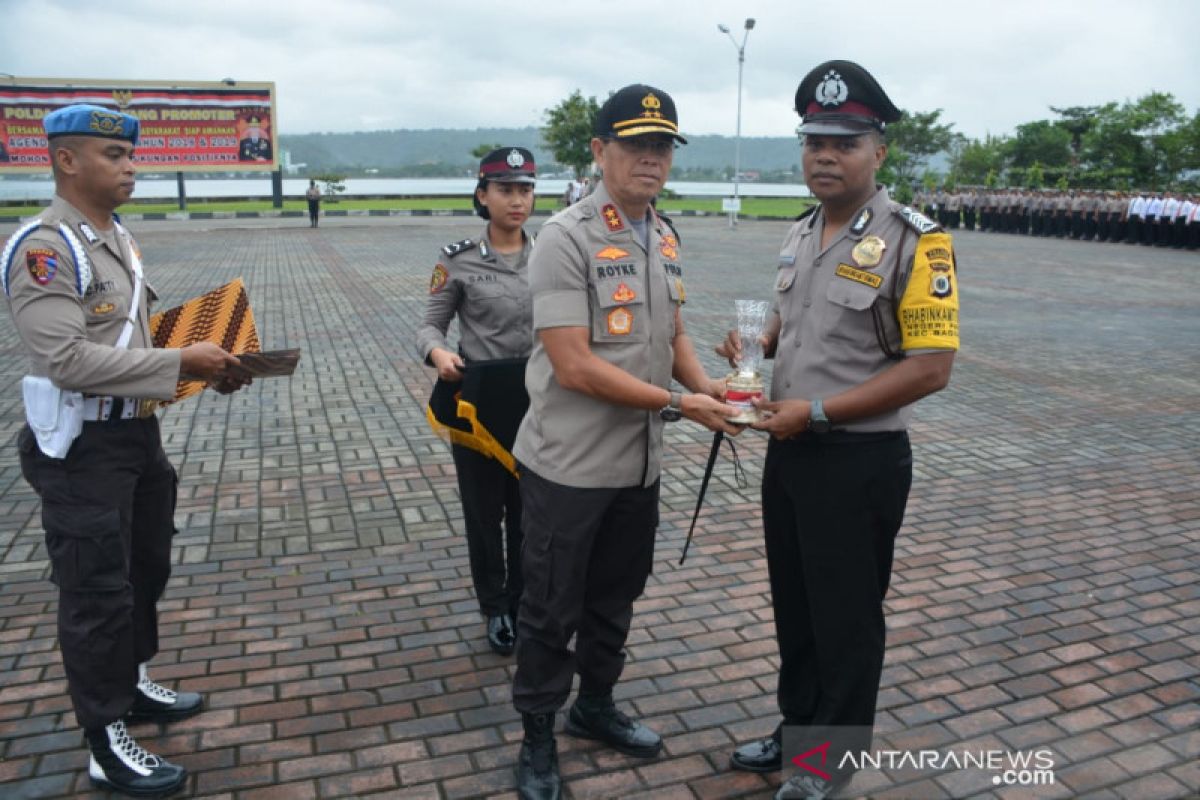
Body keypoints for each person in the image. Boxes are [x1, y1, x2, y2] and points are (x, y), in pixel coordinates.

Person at [717, 61, 959, 800]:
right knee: (796, 605)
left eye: (845, 142)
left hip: (857, 460)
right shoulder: (800, 233)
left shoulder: (919, 243)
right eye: (814, 140)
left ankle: (829, 764)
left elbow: (930, 368)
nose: (825, 154)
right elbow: (799, 327)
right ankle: (798, 730)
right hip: (789, 452)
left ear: (879, 151)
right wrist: (757, 349)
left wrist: (817, 411)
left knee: (847, 617)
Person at [1, 104, 249, 797]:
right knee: (96, 593)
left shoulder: (116, 239)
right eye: (113, 155)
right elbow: (65, 360)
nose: (131, 165)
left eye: (130, 155)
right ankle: (103, 738)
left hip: (137, 435)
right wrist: (180, 362)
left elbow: (129, 348)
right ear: (66, 161)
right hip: (83, 450)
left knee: (144, 569)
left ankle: (131, 682)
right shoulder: (47, 248)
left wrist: (206, 368)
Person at [509, 84, 740, 800]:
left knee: (615, 597)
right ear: (599, 151)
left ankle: (596, 706)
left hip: (637, 466)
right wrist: (683, 403)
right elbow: (576, 365)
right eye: (637, 144)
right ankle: (538, 735)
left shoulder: (663, 235)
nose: (651, 158)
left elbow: (670, 336)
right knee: (552, 604)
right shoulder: (564, 238)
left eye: (663, 145)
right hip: (569, 467)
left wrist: (715, 390)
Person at [416, 147, 538, 656]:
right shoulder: (458, 259)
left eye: (526, 189)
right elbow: (429, 324)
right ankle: (496, 608)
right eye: (506, 189)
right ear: (482, 195)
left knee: (533, 512)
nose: (517, 200)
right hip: (480, 406)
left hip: (539, 400)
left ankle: (526, 600)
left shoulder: (553, 251)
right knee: (485, 514)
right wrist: (438, 353)